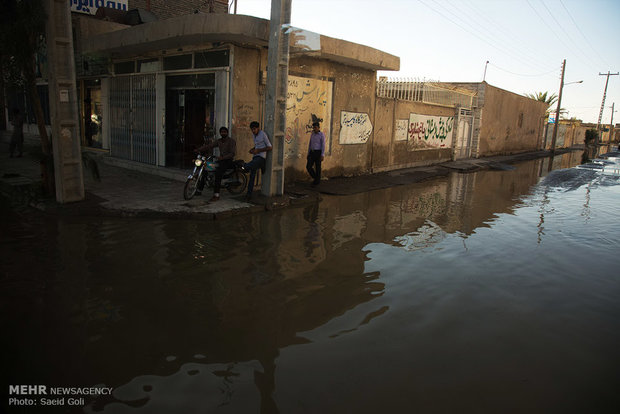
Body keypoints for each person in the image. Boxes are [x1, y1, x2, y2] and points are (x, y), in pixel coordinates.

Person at [194, 126, 236, 201]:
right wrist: (198, 149)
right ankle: (199, 190)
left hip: (228, 161)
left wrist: (223, 157)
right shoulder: (219, 141)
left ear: (227, 133)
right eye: (222, 132)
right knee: (205, 170)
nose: (223, 133)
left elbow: (232, 153)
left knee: (218, 174)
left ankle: (216, 195)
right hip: (220, 160)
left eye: (224, 132)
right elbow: (209, 146)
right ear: (220, 133)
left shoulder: (231, 141)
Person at [243, 121, 272, 200]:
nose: (253, 131)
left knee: (248, 166)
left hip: (261, 157)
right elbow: (257, 146)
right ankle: (249, 194)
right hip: (255, 156)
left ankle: (245, 166)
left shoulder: (263, 134)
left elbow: (269, 147)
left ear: (258, 128)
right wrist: (252, 150)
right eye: (252, 129)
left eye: (254, 129)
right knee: (252, 176)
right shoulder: (253, 135)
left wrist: (258, 151)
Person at [306, 121, 325, 186]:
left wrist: (322, 154)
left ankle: (316, 181)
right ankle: (315, 177)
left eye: (316, 127)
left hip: (318, 152)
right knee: (308, 167)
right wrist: (308, 153)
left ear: (319, 128)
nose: (314, 129)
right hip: (312, 152)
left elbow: (323, 145)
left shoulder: (321, 135)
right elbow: (310, 144)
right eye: (314, 128)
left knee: (318, 167)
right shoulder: (312, 134)